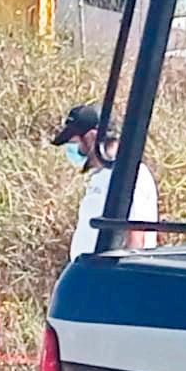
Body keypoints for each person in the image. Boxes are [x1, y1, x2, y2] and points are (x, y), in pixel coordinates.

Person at [53, 103, 159, 260]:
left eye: (75, 143)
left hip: (110, 273)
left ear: (91, 137)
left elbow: (137, 234)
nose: (75, 151)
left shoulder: (128, 173)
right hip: (92, 270)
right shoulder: (103, 175)